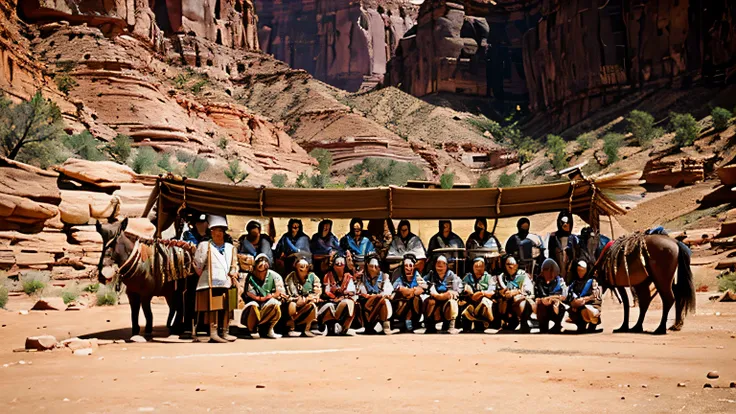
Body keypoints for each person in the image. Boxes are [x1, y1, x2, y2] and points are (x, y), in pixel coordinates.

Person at [193, 215, 238, 343]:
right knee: (213, 307)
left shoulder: (230, 248)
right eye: (215, 230)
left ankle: (225, 331)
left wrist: (233, 272)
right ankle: (213, 332)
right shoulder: (204, 246)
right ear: (211, 232)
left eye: (220, 230)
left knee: (226, 307)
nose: (218, 233)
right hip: (210, 281)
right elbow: (198, 264)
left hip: (226, 282)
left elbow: (234, 264)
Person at [240, 254, 286, 339]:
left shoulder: (275, 276)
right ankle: (252, 329)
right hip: (254, 302)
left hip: (268, 302)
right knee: (253, 306)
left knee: (274, 304)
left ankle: (269, 329)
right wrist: (261, 298)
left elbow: (279, 292)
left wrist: (271, 296)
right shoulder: (250, 277)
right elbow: (249, 293)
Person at [319, 254, 358, 336]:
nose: (339, 265)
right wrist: (335, 297)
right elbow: (326, 291)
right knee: (329, 306)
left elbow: (352, 291)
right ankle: (329, 326)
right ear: (333, 265)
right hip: (330, 300)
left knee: (349, 304)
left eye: (342, 264)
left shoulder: (348, 277)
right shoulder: (328, 275)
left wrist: (344, 294)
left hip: (344, 299)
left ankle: (345, 327)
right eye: (337, 264)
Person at [356, 253, 394, 335]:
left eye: (376, 267)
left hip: (379, 301)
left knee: (383, 301)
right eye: (371, 266)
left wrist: (379, 296)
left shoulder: (384, 277)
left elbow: (388, 291)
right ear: (367, 265)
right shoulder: (362, 277)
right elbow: (361, 292)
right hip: (367, 303)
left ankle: (381, 324)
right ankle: (384, 324)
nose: (373, 269)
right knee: (380, 299)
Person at [283, 257, 321, 337]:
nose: (304, 268)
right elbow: (290, 293)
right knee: (292, 304)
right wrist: (297, 299)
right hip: (294, 300)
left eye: (306, 266)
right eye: (301, 266)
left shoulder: (313, 276)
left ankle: (308, 327)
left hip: (309, 300)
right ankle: (292, 327)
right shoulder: (290, 277)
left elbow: (317, 290)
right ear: (296, 266)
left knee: (313, 305)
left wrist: (310, 297)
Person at [423, 255, 462, 334]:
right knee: (429, 302)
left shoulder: (452, 276)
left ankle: (450, 326)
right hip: (435, 299)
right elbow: (422, 282)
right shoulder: (431, 274)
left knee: (452, 302)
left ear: (446, 266)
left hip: (446, 300)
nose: (440, 265)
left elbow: (455, 292)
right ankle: (430, 326)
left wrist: (441, 295)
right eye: (438, 263)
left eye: (443, 264)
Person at [496, 255, 534, 332]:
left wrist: (516, 292)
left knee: (521, 302)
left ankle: (524, 323)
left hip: (522, 301)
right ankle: (508, 322)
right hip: (506, 302)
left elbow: (529, 292)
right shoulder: (502, 277)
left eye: (512, 264)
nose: (510, 266)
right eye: (508, 264)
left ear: (516, 265)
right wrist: (503, 293)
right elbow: (496, 291)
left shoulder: (523, 275)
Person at [391, 254, 428, 333]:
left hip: (413, 306)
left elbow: (423, 287)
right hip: (401, 306)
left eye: (410, 265)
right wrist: (412, 290)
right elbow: (399, 288)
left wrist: (413, 291)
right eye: (406, 266)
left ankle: (412, 321)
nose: (408, 268)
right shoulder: (398, 273)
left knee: (416, 298)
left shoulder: (416, 274)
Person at [461, 257, 498, 333]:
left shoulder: (489, 278)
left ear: (484, 267)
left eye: (481, 266)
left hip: (483, 301)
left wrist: (481, 293)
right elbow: (462, 288)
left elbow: (492, 292)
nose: (478, 269)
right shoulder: (467, 277)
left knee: (484, 302)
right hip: (471, 300)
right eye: (476, 266)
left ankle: (482, 323)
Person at [566, 260, 602, 333]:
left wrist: (586, 299)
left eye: (582, 271)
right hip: (578, 307)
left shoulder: (593, 282)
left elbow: (597, 296)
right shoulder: (574, 283)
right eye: (578, 270)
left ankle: (593, 325)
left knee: (588, 311)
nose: (580, 273)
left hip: (590, 306)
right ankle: (580, 325)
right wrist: (574, 303)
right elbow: (569, 295)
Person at [535, 258, 568, 334]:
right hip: (544, 305)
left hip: (555, 305)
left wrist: (554, 298)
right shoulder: (539, 281)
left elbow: (564, 295)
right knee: (540, 305)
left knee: (560, 306)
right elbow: (539, 295)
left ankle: (557, 325)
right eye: (545, 270)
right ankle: (543, 325)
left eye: (550, 270)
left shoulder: (560, 281)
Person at [545, 211, 579, 281]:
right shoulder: (553, 237)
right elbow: (551, 254)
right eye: (563, 223)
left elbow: (576, 255)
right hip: (557, 269)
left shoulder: (573, 238)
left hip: (569, 271)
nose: (565, 225)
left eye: (567, 223)